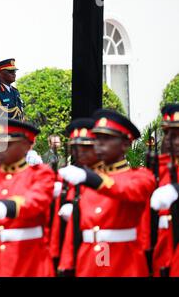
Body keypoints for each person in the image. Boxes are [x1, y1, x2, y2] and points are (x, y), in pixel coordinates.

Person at [59, 109, 155, 276]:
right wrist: (66, 264)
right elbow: (74, 228)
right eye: (97, 139)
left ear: (125, 144)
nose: (99, 144)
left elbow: (130, 191)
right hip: (88, 260)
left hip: (123, 260)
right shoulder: (88, 180)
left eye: (106, 139)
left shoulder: (140, 176)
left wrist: (93, 180)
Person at [0, 119, 55, 277]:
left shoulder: (40, 174)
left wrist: (7, 207)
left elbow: (37, 201)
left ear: (26, 146)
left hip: (28, 258)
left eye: (4, 144)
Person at [54, 118, 102, 275]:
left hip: (99, 245)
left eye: (85, 147)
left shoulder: (106, 176)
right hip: (68, 243)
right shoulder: (67, 175)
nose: (78, 152)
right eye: (75, 148)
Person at [150, 104, 179, 277]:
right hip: (161, 254)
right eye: (167, 133)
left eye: (176, 134)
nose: (168, 140)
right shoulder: (157, 172)